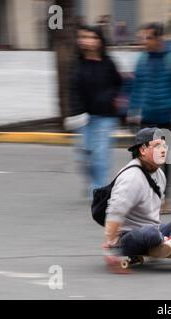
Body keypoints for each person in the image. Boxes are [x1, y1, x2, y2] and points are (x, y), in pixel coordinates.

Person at [102, 128, 171, 272]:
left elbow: (154, 213)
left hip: (154, 230)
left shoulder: (160, 175)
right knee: (150, 232)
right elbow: (114, 213)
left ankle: (170, 244)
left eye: (164, 146)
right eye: (157, 146)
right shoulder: (132, 178)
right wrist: (110, 249)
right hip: (128, 238)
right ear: (143, 150)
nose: (163, 150)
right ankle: (170, 242)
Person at [128, 22, 171, 214]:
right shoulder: (141, 60)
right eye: (142, 38)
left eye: (147, 38)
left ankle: (165, 199)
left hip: (165, 119)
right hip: (145, 118)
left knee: (164, 161)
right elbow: (137, 86)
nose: (143, 42)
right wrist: (132, 110)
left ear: (159, 39)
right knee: (144, 159)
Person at [66, 26, 123, 196]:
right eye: (85, 37)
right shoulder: (77, 64)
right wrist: (76, 111)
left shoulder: (108, 63)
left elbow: (118, 84)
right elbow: (73, 90)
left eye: (92, 37)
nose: (88, 40)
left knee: (100, 155)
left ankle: (99, 189)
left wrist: (112, 98)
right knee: (83, 157)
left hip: (106, 117)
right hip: (84, 118)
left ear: (100, 41)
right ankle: (93, 182)